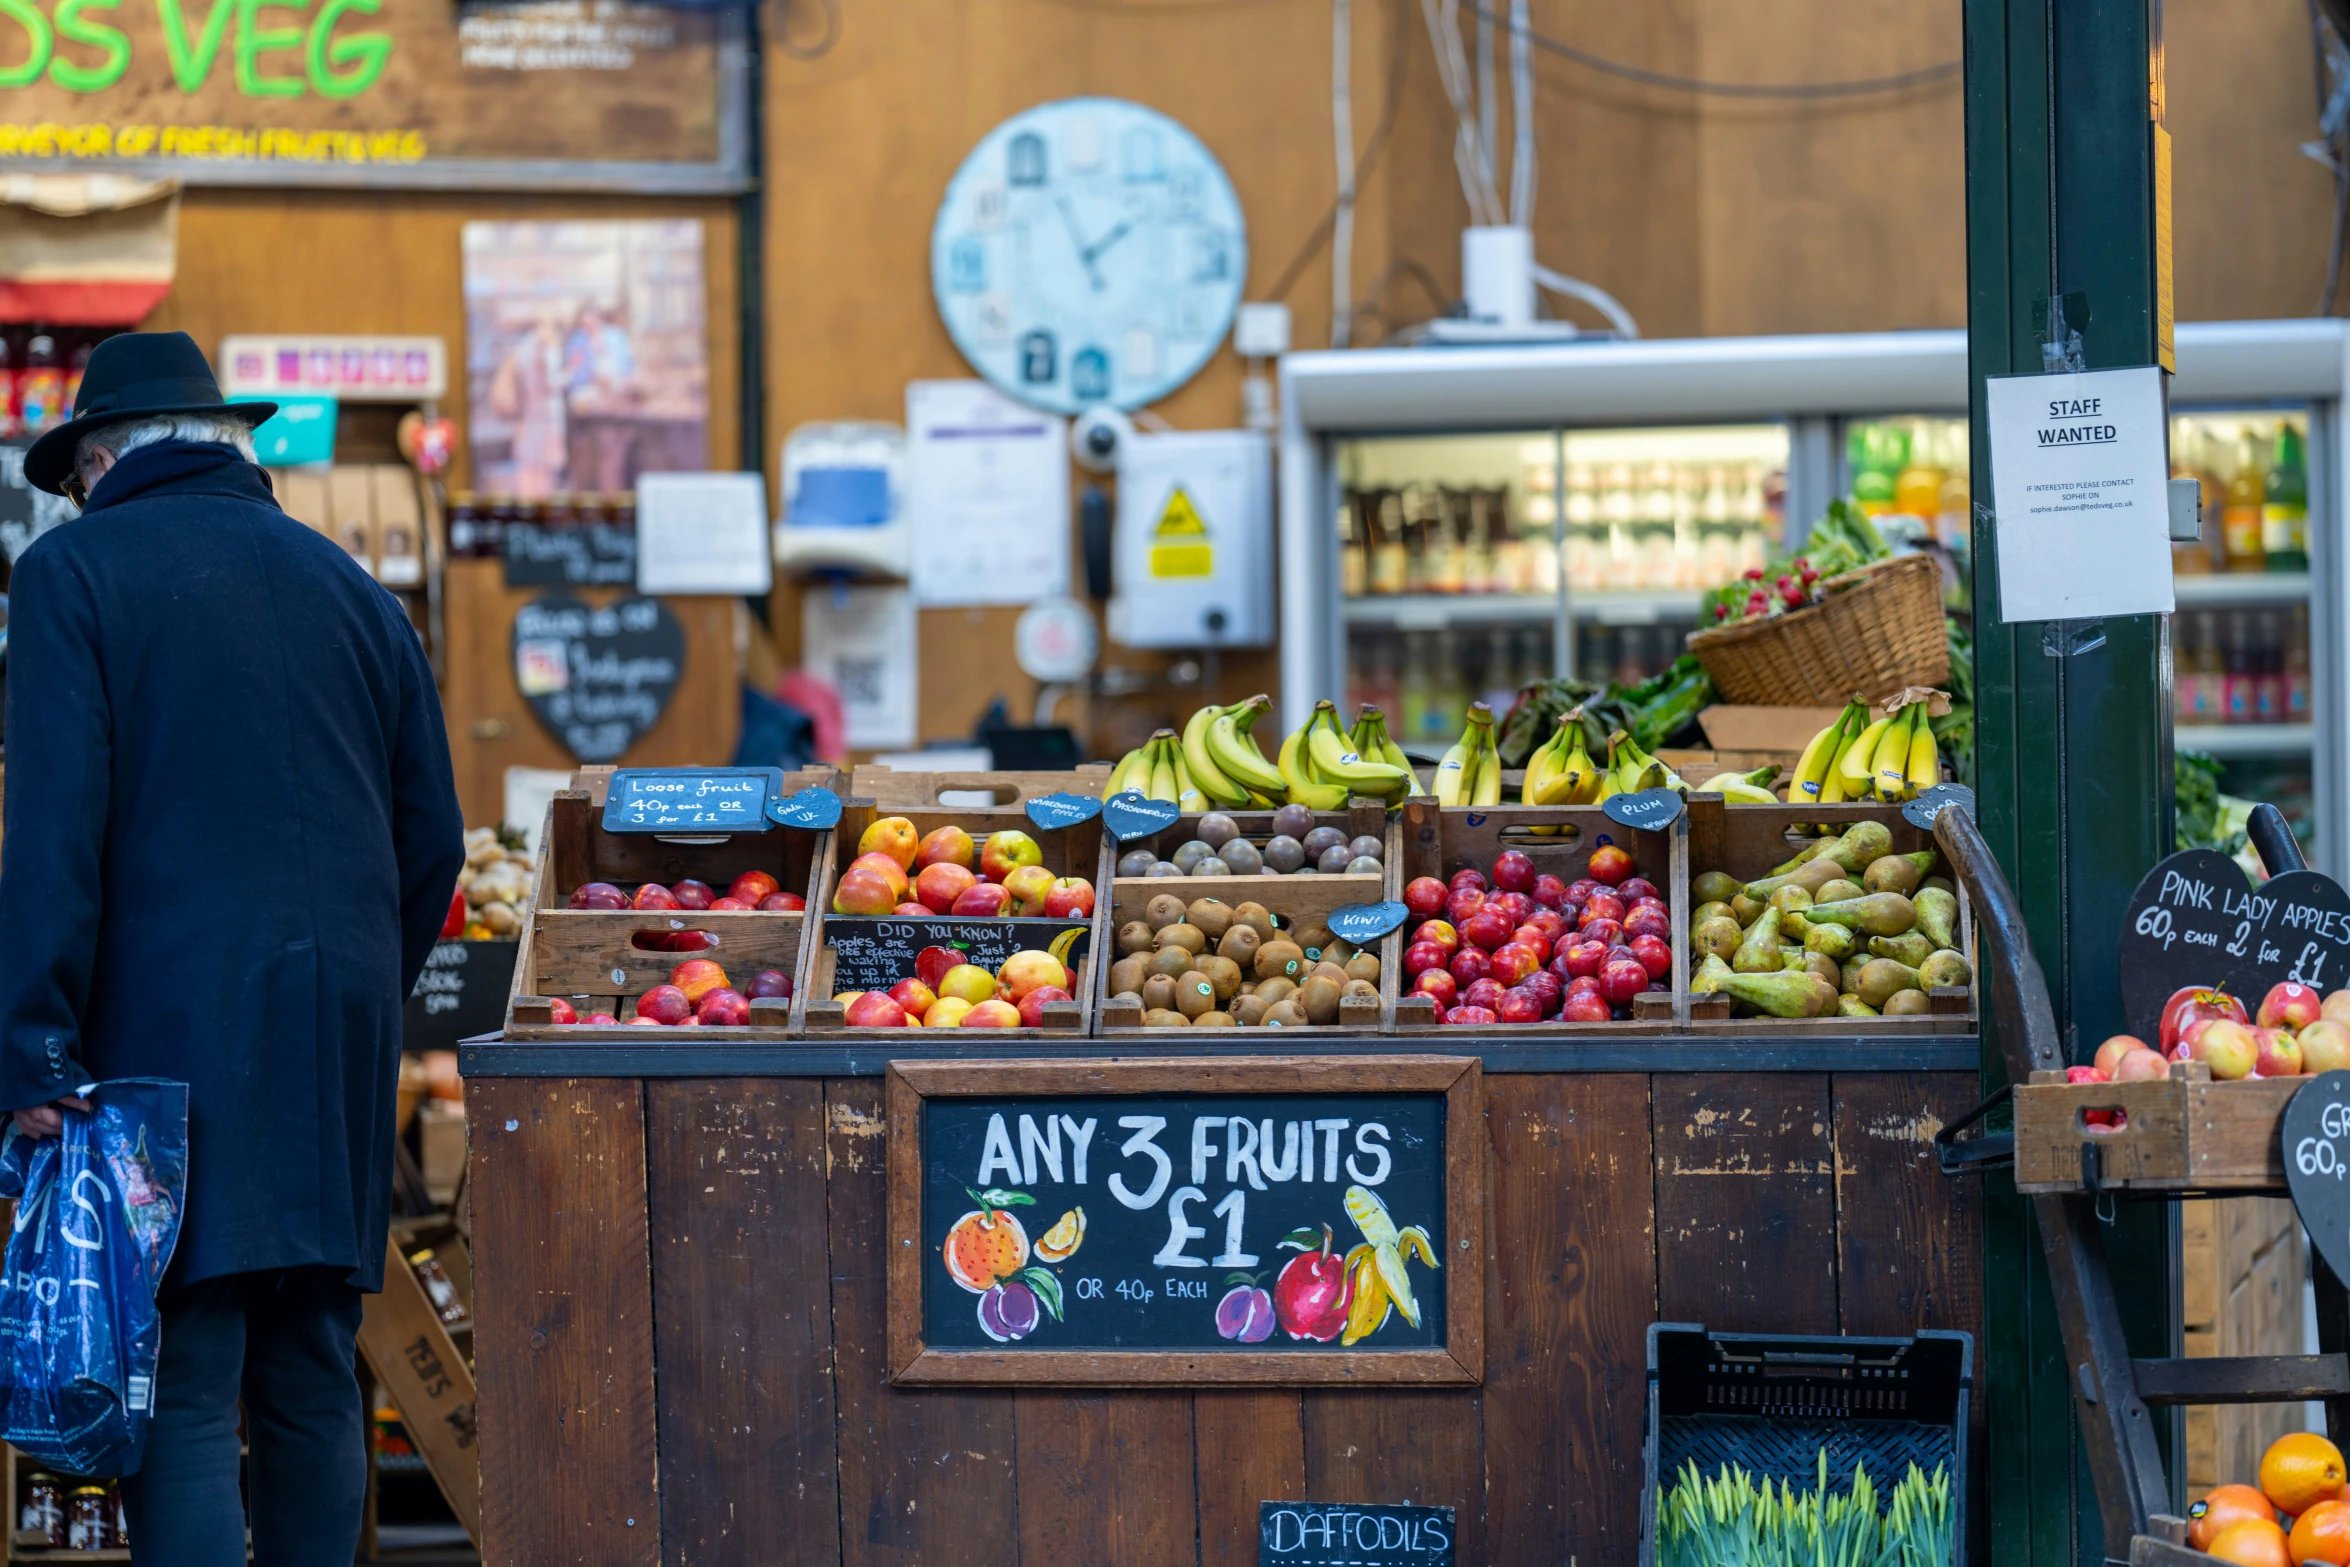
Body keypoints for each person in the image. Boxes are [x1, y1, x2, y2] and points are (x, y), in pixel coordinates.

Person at [0, 332, 464, 1565]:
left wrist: (36, 1042)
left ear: (99, 461)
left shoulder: (74, 574)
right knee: (312, 1366)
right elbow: (436, 837)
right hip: (338, 1036)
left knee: (188, 1378)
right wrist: (360, 976)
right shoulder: (352, 586)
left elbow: (55, 830)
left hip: (164, 1036)